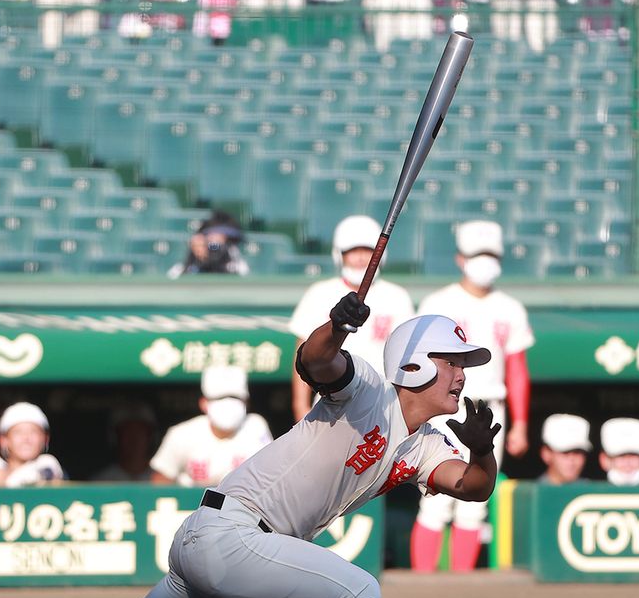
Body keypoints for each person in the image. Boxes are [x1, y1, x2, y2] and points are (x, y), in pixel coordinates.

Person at [0, 299, 500, 598]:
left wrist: (482, 449)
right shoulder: (368, 392)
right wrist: (335, 327)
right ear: (414, 365)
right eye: (452, 361)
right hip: (232, 534)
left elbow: (473, 486)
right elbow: (315, 361)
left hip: (220, 536)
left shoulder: (426, 442)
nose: (462, 373)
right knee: (359, 594)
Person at [413, 219, 534, 572]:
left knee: (474, 502)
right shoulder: (440, 301)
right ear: (460, 259)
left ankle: (461, 588)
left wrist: (521, 424)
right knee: (434, 498)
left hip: (490, 406)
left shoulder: (510, 307)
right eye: (477, 254)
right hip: (444, 406)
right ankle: (422, 583)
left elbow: (517, 369)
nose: (485, 261)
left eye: (491, 254)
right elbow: (422, 360)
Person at [288, 214, 415, 421]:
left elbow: (407, 357)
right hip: (330, 401)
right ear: (339, 255)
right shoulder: (319, 292)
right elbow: (303, 355)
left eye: (367, 251)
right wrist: (300, 406)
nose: (360, 258)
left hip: (383, 402)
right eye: (352, 251)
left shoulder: (397, 297)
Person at [149, 365, 273, 486]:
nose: (228, 405)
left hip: (241, 504)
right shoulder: (182, 434)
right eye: (219, 398)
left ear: (246, 403)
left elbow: (270, 477)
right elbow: (160, 481)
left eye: (235, 398)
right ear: (203, 403)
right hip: (194, 505)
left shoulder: (256, 426)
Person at [0, 402, 66, 487]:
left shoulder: (49, 467)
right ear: (3, 440)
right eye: (18, 432)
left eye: (33, 432)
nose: (26, 438)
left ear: (45, 439)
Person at [166, 210, 250, 278]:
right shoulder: (183, 267)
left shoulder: (234, 258)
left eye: (225, 238)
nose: (214, 243)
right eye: (210, 238)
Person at [91, 402, 158, 482]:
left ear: (151, 437)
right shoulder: (102, 481)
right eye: (127, 432)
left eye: (140, 432)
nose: (134, 439)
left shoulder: (163, 479)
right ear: (115, 437)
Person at [537, 413, 591, 485]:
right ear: (546, 453)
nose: (572, 458)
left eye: (578, 452)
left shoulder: (592, 493)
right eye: (564, 452)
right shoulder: (531, 493)